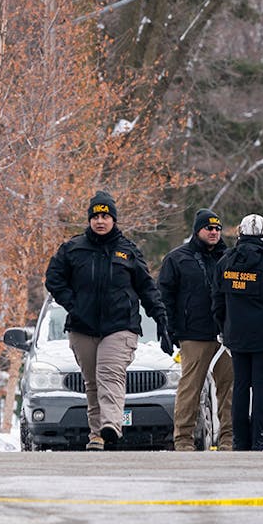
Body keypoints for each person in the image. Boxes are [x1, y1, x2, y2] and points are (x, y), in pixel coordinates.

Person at [45, 191, 169, 451]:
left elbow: (147, 288)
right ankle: (96, 435)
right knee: (92, 382)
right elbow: (54, 278)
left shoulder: (128, 251)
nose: (100, 221)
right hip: (83, 326)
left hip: (120, 326)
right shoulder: (73, 248)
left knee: (109, 375)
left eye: (106, 216)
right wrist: (74, 304)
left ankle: (111, 425)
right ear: (89, 219)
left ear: (114, 219)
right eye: (96, 216)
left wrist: (161, 318)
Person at [211, 214, 263, 451]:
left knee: (240, 386)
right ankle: (260, 437)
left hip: (236, 334)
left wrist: (222, 328)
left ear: (240, 232)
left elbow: (217, 299)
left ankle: (239, 438)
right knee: (260, 386)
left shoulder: (225, 261)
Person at [158, 208, 233, 451]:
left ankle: (229, 440)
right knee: (190, 389)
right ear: (197, 230)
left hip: (226, 335)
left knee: (229, 388)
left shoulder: (231, 258)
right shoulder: (177, 258)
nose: (213, 232)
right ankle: (183, 440)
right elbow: (165, 297)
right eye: (208, 228)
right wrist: (167, 328)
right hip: (193, 333)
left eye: (217, 228)